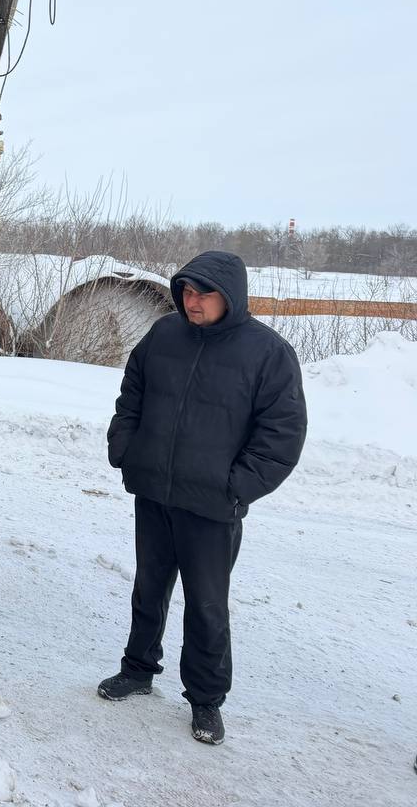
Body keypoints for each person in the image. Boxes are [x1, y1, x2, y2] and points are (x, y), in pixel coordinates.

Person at [101, 250, 307, 745]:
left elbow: (282, 435)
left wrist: (236, 486)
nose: (192, 302)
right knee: (148, 588)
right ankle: (137, 669)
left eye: (204, 294)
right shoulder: (163, 336)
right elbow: (133, 394)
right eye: (187, 292)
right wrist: (125, 447)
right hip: (154, 491)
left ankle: (206, 701)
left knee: (207, 605)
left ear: (230, 297)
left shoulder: (267, 353)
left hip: (212, 507)